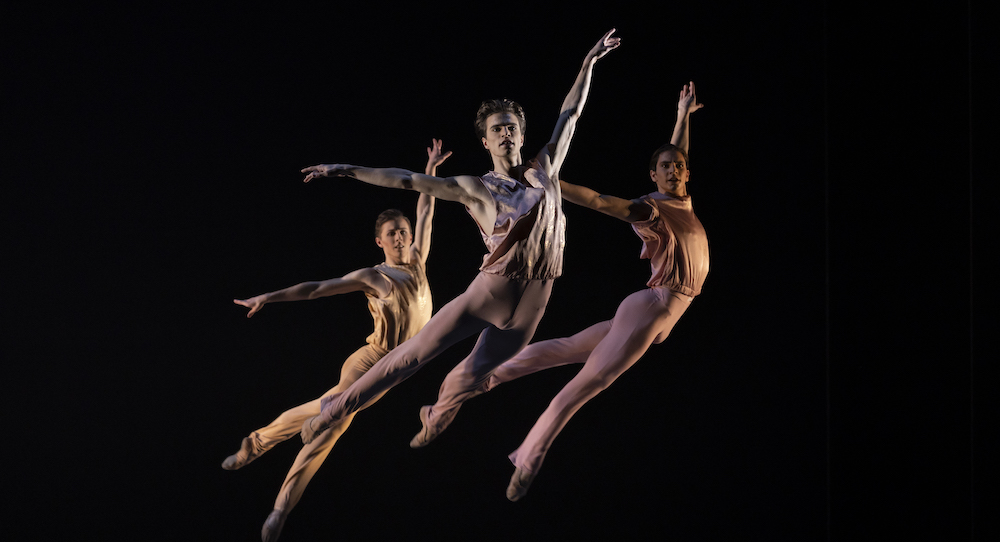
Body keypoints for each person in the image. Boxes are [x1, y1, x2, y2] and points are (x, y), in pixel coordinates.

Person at [298, 29, 621, 448]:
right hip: (490, 292)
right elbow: (408, 180)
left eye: (511, 128)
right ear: (485, 141)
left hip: (534, 304)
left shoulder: (546, 168)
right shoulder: (476, 187)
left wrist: (588, 63)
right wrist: (347, 169)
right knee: (412, 357)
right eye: (497, 129)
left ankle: (434, 414)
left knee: (471, 377)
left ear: (522, 135)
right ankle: (336, 409)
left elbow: (571, 114)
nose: (506, 134)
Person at [410, 83, 708, 501]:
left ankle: (481, 382)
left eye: (679, 166)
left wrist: (682, 116)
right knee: (589, 382)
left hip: (665, 315)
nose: (674, 170)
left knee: (562, 349)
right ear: (653, 176)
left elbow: (676, 156)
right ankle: (528, 457)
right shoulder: (652, 209)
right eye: (665, 167)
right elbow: (602, 201)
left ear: (686, 172)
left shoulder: (681, 199)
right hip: (654, 306)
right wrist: (551, 182)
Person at [222, 139, 450, 542]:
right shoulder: (374, 276)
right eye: (392, 234)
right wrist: (269, 297)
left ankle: (257, 441)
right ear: (379, 241)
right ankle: (280, 508)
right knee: (332, 422)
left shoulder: (418, 262)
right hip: (370, 360)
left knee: (326, 410)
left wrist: (429, 171)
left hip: (398, 368)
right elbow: (315, 289)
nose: (401, 238)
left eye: (404, 232)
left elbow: (427, 207)